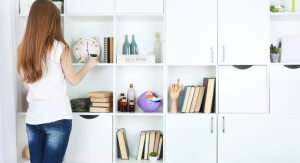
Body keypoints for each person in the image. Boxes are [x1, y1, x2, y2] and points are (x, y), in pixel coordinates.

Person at [16, 0, 99, 162]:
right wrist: (88, 65)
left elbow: (27, 85)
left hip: (33, 119)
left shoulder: (23, 49)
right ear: (51, 22)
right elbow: (73, 80)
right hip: (57, 117)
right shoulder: (60, 47)